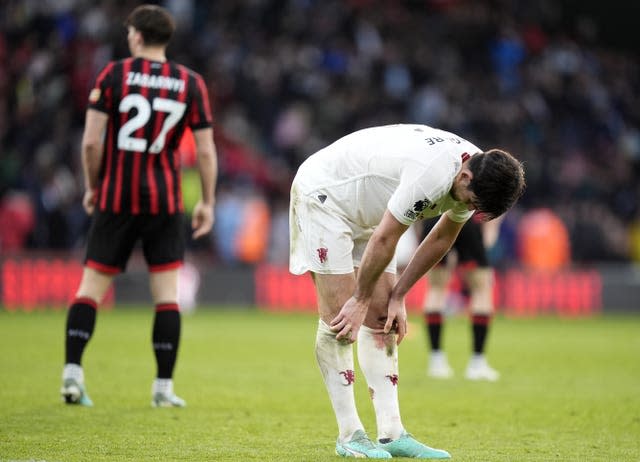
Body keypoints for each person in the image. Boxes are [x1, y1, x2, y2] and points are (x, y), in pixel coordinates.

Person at [289, 124, 525, 458]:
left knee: (384, 315)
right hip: (325, 196)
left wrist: (399, 294)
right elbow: (387, 239)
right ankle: (349, 435)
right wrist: (359, 299)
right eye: (472, 202)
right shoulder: (432, 174)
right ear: (465, 179)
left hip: (366, 212)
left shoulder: (476, 167)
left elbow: (442, 237)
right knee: (340, 317)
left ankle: (392, 433)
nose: (470, 208)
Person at [60, 4, 217, 408]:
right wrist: (208, 201)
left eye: (130, 31)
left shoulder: (112, 75)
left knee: (90, 288)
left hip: (117, 197)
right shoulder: (190, 83)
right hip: (165, 202)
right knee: (166, 296)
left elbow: (91, 142)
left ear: (137, 36)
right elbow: (205, 152)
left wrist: (94, 187)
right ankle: (163, 388)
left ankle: (72, 375)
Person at [422, 215, 503, 381]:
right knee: (481, 290)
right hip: (467, 219)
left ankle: (436, 361)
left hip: (435, 218)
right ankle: (477, 363)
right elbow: (492, 219)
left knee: (436, 289)